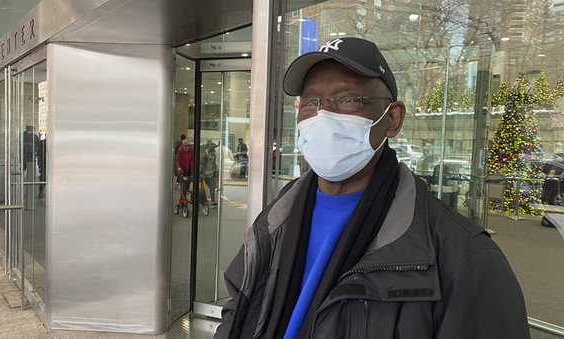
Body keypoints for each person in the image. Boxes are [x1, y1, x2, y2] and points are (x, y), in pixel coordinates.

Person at [215, 38, 530, 339]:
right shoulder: (276, 219)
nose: (323, 115)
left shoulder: (463, 259)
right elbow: (238, 310)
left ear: (392, 119)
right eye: (311, 102)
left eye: (348, 99)